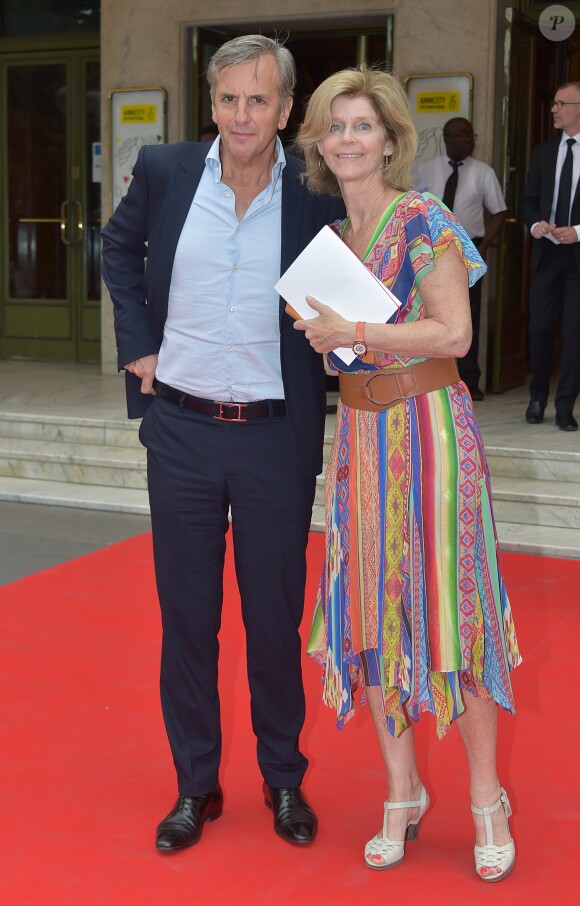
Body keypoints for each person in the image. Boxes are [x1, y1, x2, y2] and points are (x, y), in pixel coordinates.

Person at [101, 34, 344, 853]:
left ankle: (283, 780)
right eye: (229, 98)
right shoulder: (167, 170)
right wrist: (137, 342)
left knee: (274, 623)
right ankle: (195, 786)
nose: (243, 115)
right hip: (181, 433)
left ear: (285, 107)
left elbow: (358, 289)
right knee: (188, 621)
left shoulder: (316, 190)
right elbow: (116, 248)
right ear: (213, 102)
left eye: (260, 99)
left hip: (277, 438)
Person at [294, 66, 521, 882]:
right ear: (319, 142)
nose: (347, 139)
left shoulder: (421, 215)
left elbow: (454, 333)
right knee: (372, 613)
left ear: (391, 139)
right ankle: (403, 794)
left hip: (429, 434)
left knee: (451, 609)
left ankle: (488, 799)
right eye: (335, 126)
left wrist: (353, 326)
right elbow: (358, 349)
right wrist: (335, 344)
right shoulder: (334, 242)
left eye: (362, 125)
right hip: (358, 435)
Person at [416, 117, 507, 401]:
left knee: (467, 317)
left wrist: (484, 246)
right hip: (429, 251)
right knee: (428, 315)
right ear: (447, 138)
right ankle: (433, 376)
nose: (467, 140)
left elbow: (499, 212)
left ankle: (469, 380)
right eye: (460, 135)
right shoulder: (425, 169)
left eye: (470, 134)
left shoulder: (484, 172)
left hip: (468, 251)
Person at [522, 81, 580, 432]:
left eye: (561, 103)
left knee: (574, 334)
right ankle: (537, 397)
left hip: (579, 258)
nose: (554, 109)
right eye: (554, 103)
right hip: (546, 254)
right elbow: (528, 201)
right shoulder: (543, 152)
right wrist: (535, 225)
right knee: (540, 328)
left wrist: (578, 231)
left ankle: (565, 407)